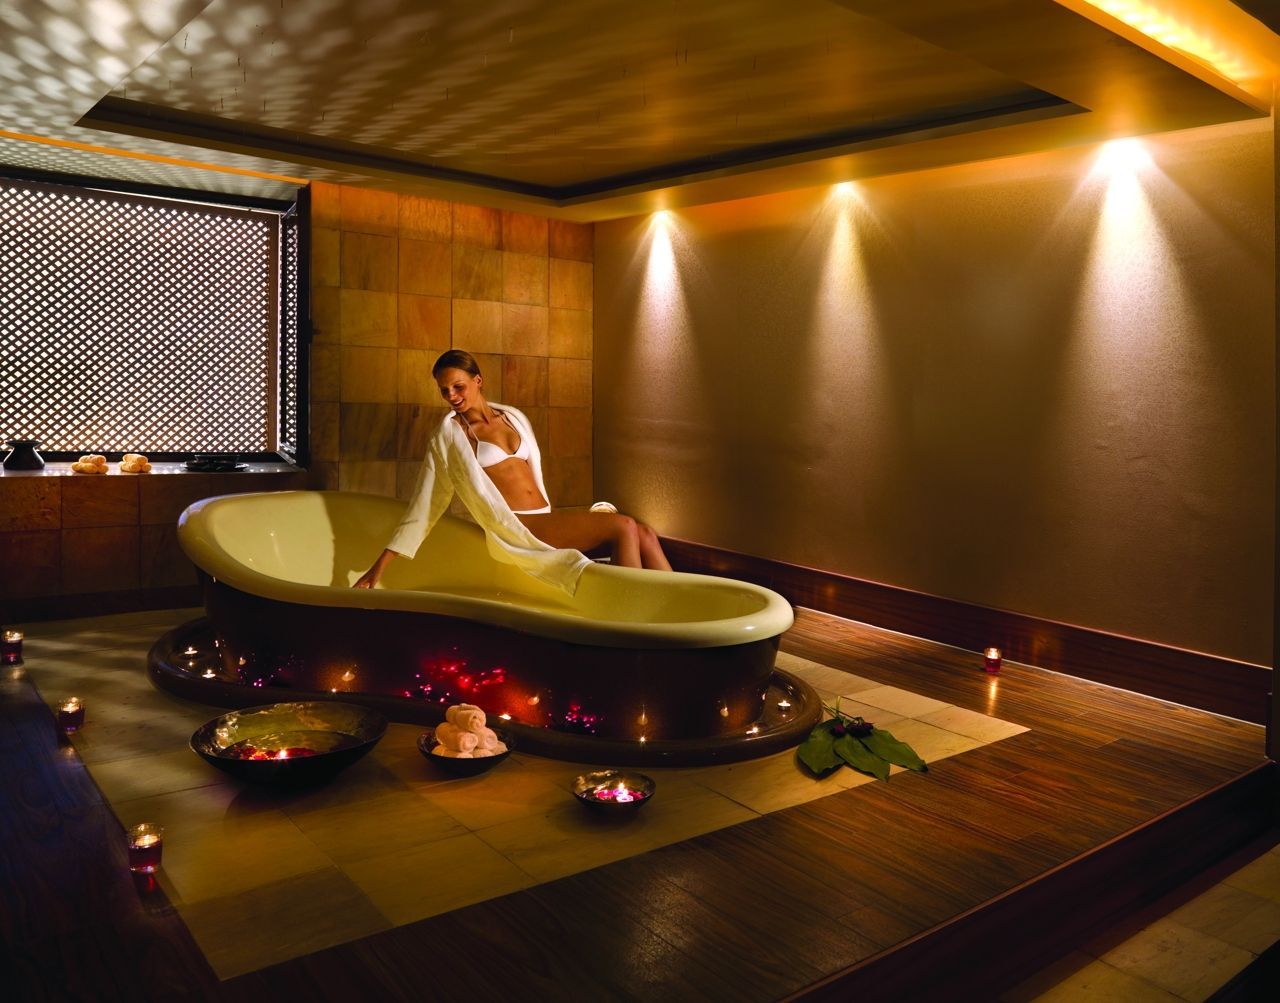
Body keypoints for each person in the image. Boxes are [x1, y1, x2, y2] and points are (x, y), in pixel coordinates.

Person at [354, 350, 670, 591]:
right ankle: (632, 607)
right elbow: (425, 504)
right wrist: (379, 567)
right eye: (444, 390)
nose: (452, 396)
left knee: (644, 533)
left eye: (458, 386)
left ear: (478, 381)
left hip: (545, 517)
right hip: (520, 528)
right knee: (624, 526)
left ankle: (690, 601)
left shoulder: (513, 416)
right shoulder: (450, 437)